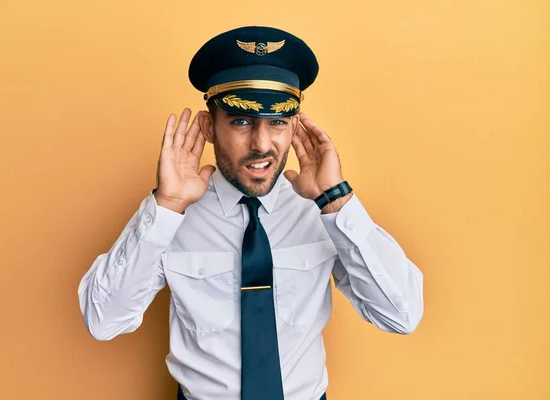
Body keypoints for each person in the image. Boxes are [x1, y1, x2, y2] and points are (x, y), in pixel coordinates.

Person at [78, 26, 424, 400]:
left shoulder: (322, 211)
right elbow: (103, 320)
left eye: (277, 122)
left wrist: (337, 201)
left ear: (294, 127)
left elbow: (400, 315)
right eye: (241, 121)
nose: (262, 144)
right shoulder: (171, 216)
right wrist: (167, 207)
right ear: (209, 127)